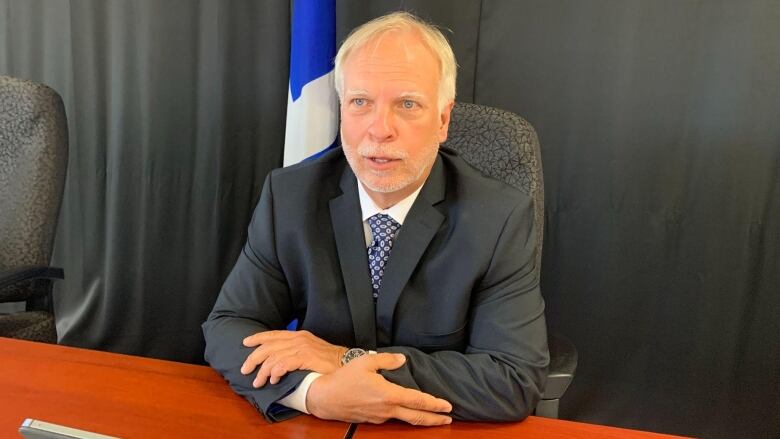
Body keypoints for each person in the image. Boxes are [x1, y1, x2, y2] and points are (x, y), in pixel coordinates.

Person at [202, 11, 549, 426]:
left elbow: (511, 378)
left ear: (442, 119)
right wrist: (314, 395)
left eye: (407, 104)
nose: (379, 129)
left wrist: (345, 360)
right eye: (360, 102)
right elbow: (228, 327)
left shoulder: (498, 217)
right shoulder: (290, 197)